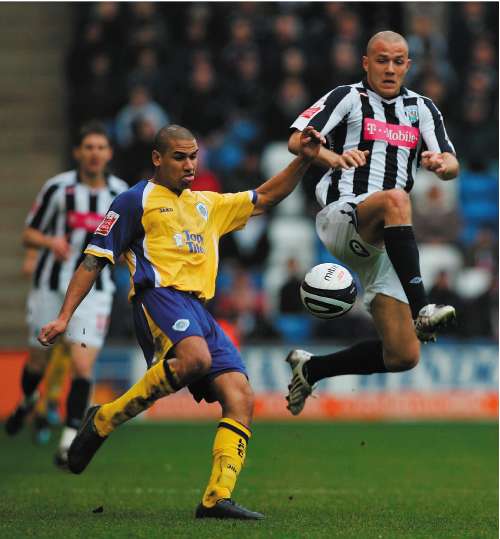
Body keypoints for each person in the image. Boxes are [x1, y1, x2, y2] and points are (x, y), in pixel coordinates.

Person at [38, 124, 324, 520]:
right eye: (179, 157)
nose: (189, 165)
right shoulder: (133, 200)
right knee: (196, 359)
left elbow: (267, 196)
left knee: (240, 396)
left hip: (200, 310)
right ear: (158, 158)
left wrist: (304, 160)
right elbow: (92, 259)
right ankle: (106, 418)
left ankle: (215, 498)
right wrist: (65, 316)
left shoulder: (209, 204)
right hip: (158, 297)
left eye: (193, 157)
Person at [285, 31, 459, 416]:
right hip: (344, 216)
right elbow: (297, 140)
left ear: (408, 66)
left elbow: (451, 163)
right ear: (366, 62)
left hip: (385, 241)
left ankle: (312, 368)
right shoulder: (347, 97)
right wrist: (331, 158)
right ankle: (423, 309)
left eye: (398, 61)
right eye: (382, 60)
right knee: (398, 198)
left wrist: (440, 165)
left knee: (402, 355)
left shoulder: (423, 108)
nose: (390, 68)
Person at [5, 122, 128, 467]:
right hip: (50, 284)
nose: (94, 153)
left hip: (96, 290)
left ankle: (70, 439)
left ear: (109, 153)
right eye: (88, 147)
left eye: (100, 147)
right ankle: (29, 401)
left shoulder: (120, 193)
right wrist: (49, 242)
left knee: (82, 363)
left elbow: (134, 238)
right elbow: (29, 233)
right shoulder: (58, 188)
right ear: (78, 152)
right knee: (37, 361)